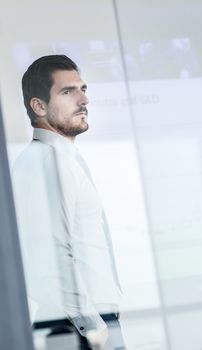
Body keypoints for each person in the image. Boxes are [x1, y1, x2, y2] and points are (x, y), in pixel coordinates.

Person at [12, 55, 126, 349]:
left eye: (83, 89)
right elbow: (49, 256)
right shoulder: (46, 162)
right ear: (39, 106)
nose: (83, 99)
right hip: (80, 328)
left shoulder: (62, 160)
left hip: (88, 324)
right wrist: (92, 328)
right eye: (67, 91)